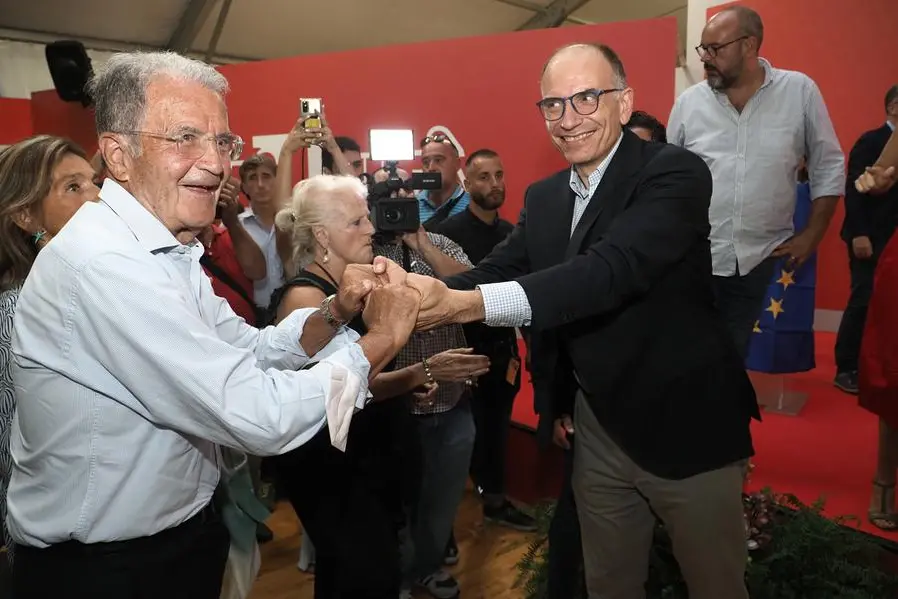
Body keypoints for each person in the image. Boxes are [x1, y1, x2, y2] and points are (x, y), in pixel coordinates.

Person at [6, 51, 421, 599]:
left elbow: (247, 348)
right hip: (107, 571)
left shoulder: (165, 250)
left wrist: (335, 313)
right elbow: (258, 414)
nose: (216, 163)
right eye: (185, 138)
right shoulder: (104, 265)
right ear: (118, 155)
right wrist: (382, 339)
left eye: (223, 142)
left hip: (175, 542)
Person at [362, 42, 757, 599]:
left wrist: (463, 306)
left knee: (715, 585)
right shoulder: (547, 197)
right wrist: (421, 293)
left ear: (625, 103)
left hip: (686, 426)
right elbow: (501, 267)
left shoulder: (674, 174)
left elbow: (608, 273)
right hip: (598, 429)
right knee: (608, 583)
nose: (568, 119)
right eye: (552, 104)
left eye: (586, 98)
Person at [266, 174, 488, 599]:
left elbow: (361, 377)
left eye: (367, 218)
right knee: (360, 574)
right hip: (337, 472)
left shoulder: (346, 287)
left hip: (365, 460)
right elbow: (336, 393)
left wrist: (408, 381)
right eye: (356, 222)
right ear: (321, 236)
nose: (371, 228)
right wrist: (424, 372)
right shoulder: (306, 300)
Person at [667, 6, 844, 360]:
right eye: (703, 49)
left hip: (760, 258)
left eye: (715, 49)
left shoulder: (800, 92)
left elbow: (829, 164)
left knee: (730, 360)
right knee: (685, 356)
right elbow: (666, 178)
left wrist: (812, 233)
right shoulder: (689, 104)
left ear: (749, 45)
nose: (705, 59)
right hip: (695, 258)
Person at [0, 135, 100, 566]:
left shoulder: (91, 287)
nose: (97, 196)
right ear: (25, 215)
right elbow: (10, 434)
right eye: (73, 188)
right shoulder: (16, 308)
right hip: (56, 539)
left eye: (94, 182)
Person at [834, 85, 898, 394]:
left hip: (894, 240)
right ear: (894, 106)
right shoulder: (872, 141)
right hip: (870, 236)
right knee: (863, 299)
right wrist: (859, 233)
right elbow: (854, 188)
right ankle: (846, 367)